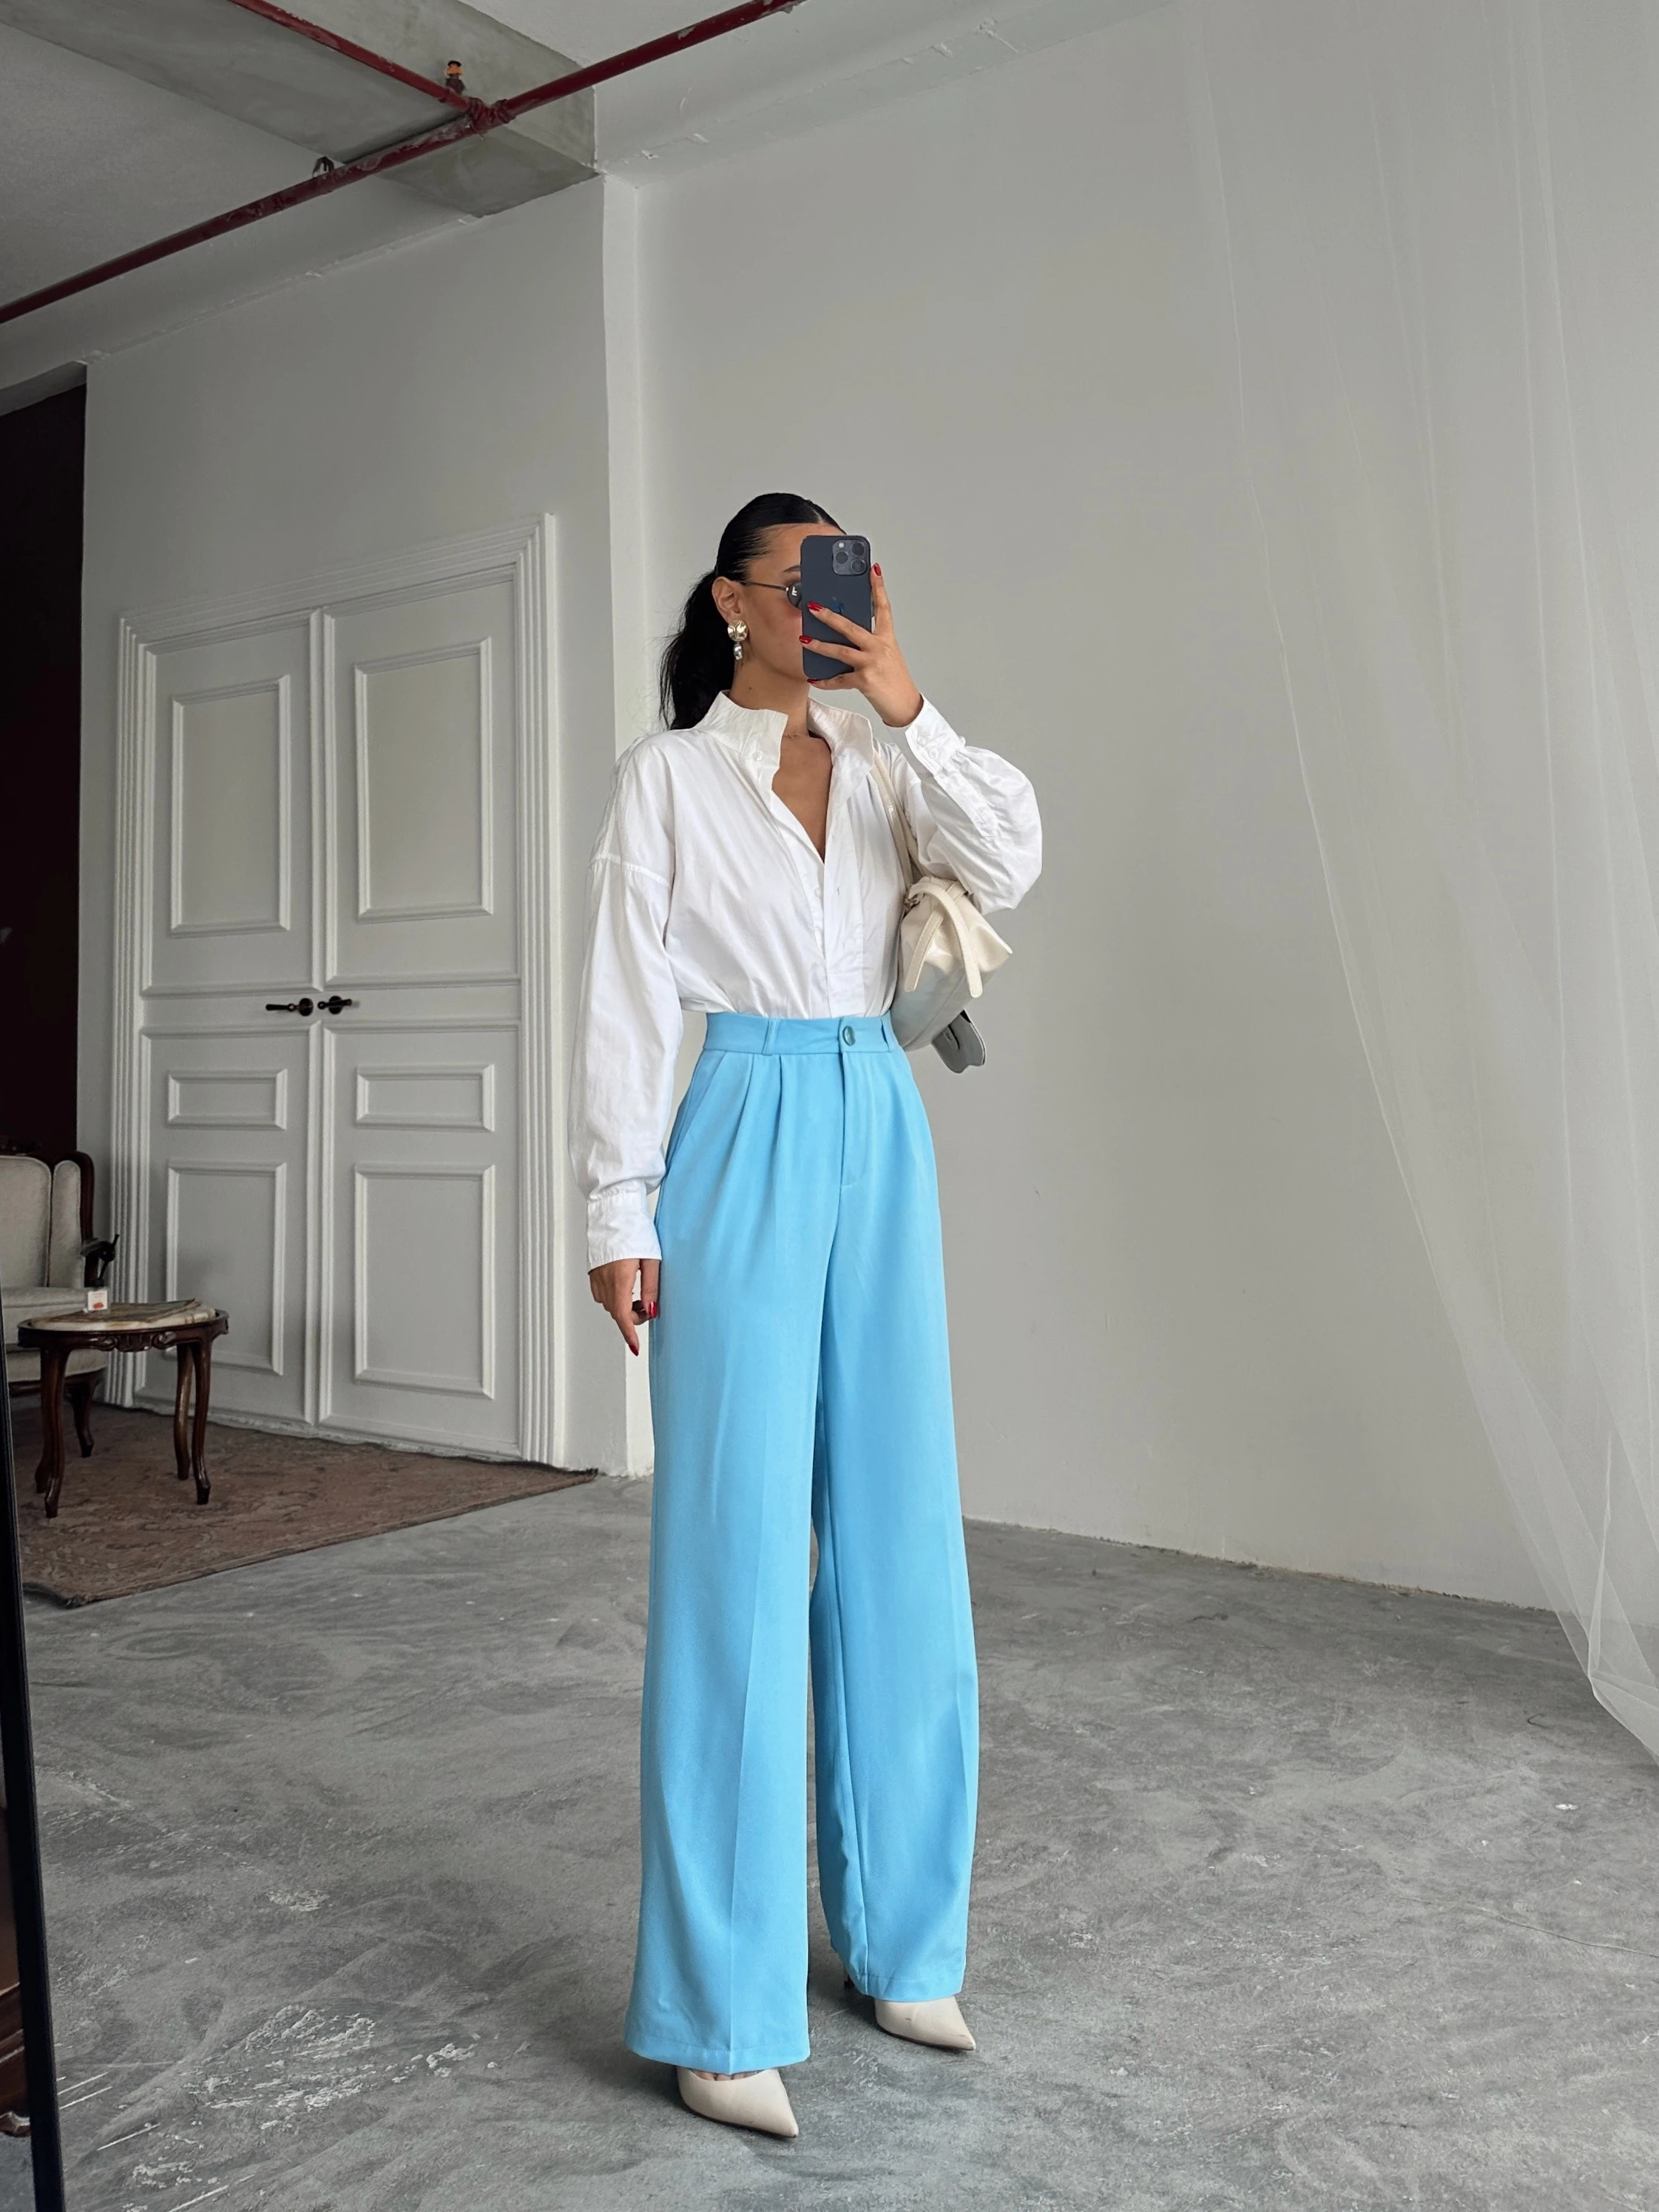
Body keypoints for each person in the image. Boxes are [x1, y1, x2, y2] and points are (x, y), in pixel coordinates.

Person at [569, 492, 1042, 2137]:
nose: (832, 599)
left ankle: (906, 1941)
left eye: (854, 573)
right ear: (731, 598)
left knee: (902, 1532)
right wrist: (615, 1212)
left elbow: (1012, 856)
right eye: (802, 577)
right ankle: (720, 2008)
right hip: (743, 1121)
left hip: (876, 1119)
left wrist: (904, 690)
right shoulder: (665, 778)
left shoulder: (887, 751)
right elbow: (628, 998)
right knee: (736, 1554)